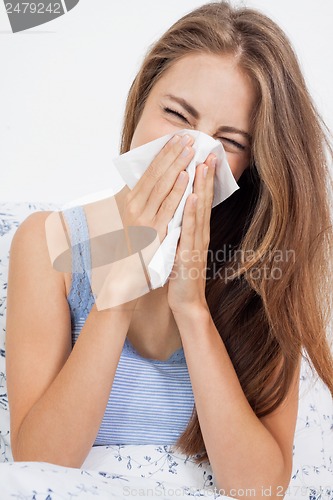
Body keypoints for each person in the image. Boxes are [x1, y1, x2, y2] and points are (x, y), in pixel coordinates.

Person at [5, 1, 333, 497]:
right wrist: (117, 294)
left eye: (228, 142)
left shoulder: (265, 266)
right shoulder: (49, 244)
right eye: (177, 115)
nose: (192, 153)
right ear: (141, 102)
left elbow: (260, 489)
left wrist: (192, 309)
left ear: (252, 167)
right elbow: (40, 466)